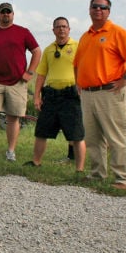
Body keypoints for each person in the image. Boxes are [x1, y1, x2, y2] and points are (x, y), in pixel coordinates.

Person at [72, 0, 126, 190]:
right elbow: (77, 63)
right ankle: (97, 173)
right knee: (93, 137)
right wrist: (78, 82)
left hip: (110, 92)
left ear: (108, 11)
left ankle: (123, 178)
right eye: (95, 7)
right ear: (89, 9)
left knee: (116, 136)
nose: (98, 10)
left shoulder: (116, 32)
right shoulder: (86, 36)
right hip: (88, 93)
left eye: (103, 8)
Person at [0, 2, 41, 161]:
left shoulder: (23, 32)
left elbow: (37, 51)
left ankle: (11, 151)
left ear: (12, 14)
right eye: (2, 12)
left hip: (17, 82)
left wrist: (29, 72)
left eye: (8, 12)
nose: (5, 15)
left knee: (13, 117)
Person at [30, 17, 85, 172]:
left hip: (71, 95)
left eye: (64, 27)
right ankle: (36, 162)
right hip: (52, 95)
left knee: (77, 134)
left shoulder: (78, 47)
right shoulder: (48, 50)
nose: (61, 29)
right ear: (53, 30)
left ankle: (79, 169)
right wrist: (36, 96)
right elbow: (41, 75)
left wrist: (82, 89)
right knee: (41, 131)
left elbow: (84, 68)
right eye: (58, 27)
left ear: (69, 29)